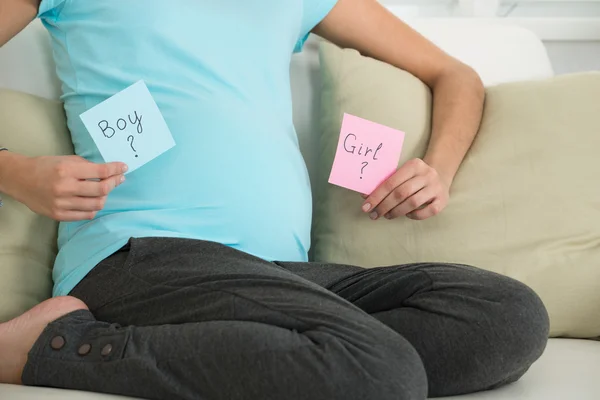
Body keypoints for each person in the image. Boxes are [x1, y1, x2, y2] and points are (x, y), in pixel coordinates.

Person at [0, 0, 549, 399]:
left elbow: (454, 74)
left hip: (278, 274)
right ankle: (53, 348)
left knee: (507, 315)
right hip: (140, 256)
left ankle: (295, 356)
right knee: (382, 370)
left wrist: (439, 170)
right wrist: (16, 171)